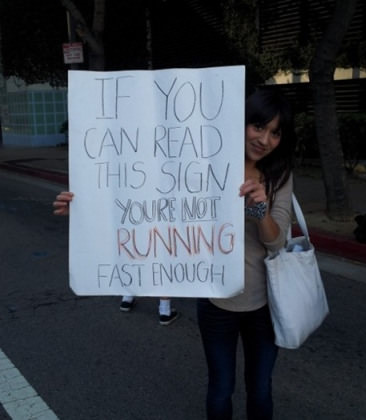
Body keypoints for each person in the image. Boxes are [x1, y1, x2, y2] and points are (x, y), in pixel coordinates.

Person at [197, 86, 296, 420]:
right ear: (240, 123)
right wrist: (83, 205)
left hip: (265, 303)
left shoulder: (279, 175)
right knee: (220, 388)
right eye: (258, 127)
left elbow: (277, 242)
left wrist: (259, 209)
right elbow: (153, 206)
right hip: (215, 302)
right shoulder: (202, 165)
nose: (264, 140)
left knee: (261, 387)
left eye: (275, 133)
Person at [53, 192, 179, 326]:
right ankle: (164, 310)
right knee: (161, 255)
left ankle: (127, 296)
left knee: (134, 248)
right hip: (160, 207)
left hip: (131, 207)